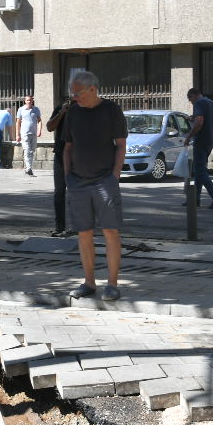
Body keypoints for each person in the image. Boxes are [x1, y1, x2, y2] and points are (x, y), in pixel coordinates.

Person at [62, 70, 127, 301]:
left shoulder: (111, 110)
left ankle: (112, 284)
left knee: (110, 230)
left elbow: (121, 144)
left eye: (78, 92)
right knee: (84, 233)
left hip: (104, 180)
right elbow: (67, 147)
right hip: (78, 182)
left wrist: (115, 175)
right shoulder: (72, 112)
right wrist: (68, 176)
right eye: (73, 93)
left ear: (92, 89)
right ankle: (89, 283)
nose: (75, 97)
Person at [183, 87, 213, 210]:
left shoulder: (199, 103)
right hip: (210, 141)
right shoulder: (211, 103)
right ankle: (195, 199)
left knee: (200, 171)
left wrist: (189, 136)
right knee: (198, 170)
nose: (191, 103)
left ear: (194, 95)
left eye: (190, 99)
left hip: (201, 141)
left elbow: (200, 122)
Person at [47, 95, 72, 236]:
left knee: (77, 192)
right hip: (60, 155)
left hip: (78, 157)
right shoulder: (62, 107)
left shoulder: (85, 109)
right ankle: (60, 227)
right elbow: (49, 127)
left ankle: (79, 227)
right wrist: (62, 112)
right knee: (59, 192)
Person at [14, 94, 42, 177]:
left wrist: (39, 130)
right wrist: (17, 134)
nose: (29, 102)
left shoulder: (36, 109)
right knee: (27, 150)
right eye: (27, 100)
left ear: (32, 101)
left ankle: (27, 168)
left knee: (32, 151)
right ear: (25, 101)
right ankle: (29, 168)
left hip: (33, 133)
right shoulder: (21, 109)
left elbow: (39, 121)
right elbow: (18, 122)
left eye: (30, 100)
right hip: (25, 133)